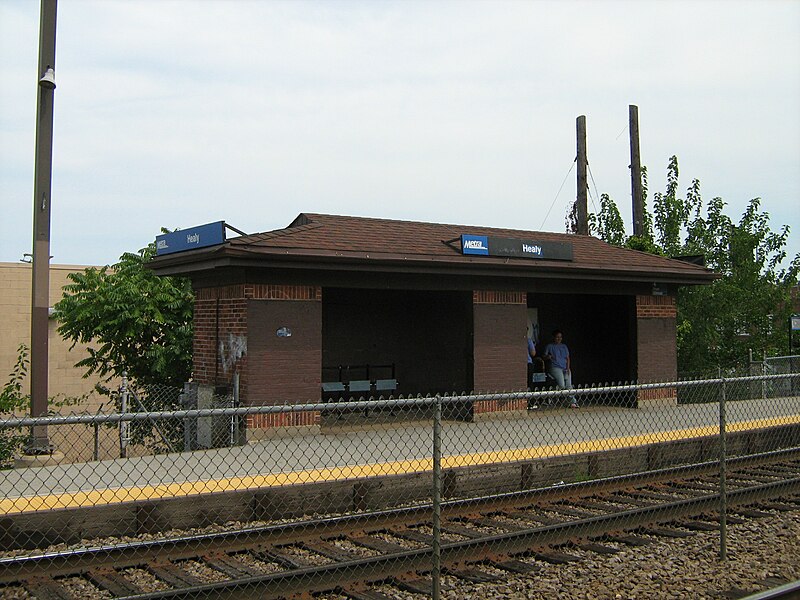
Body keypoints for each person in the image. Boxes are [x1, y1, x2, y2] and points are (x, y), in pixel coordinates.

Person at [544, 329, 578, 408]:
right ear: (554, 338)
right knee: (562, 385)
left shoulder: (564, 346)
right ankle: (556, 395)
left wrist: (568, 368)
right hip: (555, 367)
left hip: (565, 367)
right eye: (557, 337)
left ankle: (573, 402)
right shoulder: (550, 346)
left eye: (560, 337)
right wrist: (548, 357)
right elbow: (544, 356)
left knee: (569, 385)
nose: (559, 339)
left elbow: (567, 358)